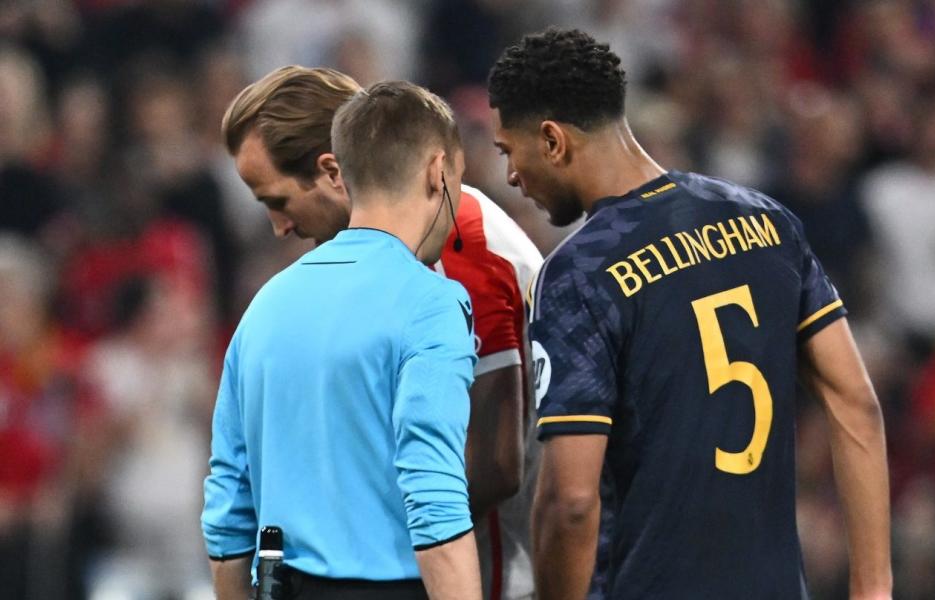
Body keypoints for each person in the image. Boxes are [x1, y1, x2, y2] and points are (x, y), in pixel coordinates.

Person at [487, 28, 893, 600]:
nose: (510, 175)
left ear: (552, 140)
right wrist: (874, 587)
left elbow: (572, 503)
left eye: (509, 150)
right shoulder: (766, 221)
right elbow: (857, 403)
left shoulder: (578, 272)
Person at [218, 65, 542, 600]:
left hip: (491, 579)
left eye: (276, 200)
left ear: (332, 171)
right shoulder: (352, 270)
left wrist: (341, 538)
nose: (279, 226)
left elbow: (496, 461)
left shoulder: (462, 249)